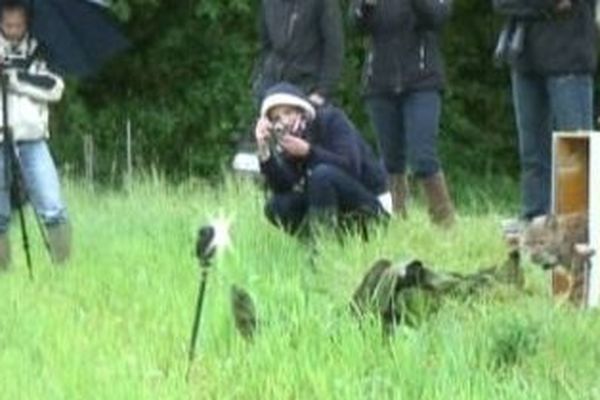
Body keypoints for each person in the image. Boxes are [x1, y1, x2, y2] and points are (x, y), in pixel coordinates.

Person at [350, 0, 456, 227]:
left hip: (422, 81)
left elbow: (438, 17)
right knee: (390, 161)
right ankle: (396, 221)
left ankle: (445, 225)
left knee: (423, 157)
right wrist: (366, 6)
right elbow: (355, 24)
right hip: (379, 82)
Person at [493, 0, 596, 225]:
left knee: (576, 151)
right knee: (532, 152)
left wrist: (527, 7)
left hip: (570, 57)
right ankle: (534, 219)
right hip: (525, 57)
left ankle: (580, 229)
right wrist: (547, 7)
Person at [255, 82, 390, 236]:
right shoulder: (289, 139)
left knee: (322, 175)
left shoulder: (331, 120)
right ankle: (318, 241)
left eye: (288, 112)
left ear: (301, 109)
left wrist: (308, 152)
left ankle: (323, 245)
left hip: (371, 203)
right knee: (276, 206)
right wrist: (264, 152)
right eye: (277, 118)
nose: (284, 121)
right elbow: (284, 187)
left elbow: (351, 167)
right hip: (331, 206)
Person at [0, 0, 71, 269]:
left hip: (32, 138)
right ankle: (3, 274)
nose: (13, 30)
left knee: (52, 205)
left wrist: (15, 79)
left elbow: (55, 88)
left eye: (18, 25)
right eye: (7, 25)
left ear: (26, 22)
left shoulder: (40, 50)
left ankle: (64, 267)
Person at [253, 0, 344, 105]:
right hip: (272, 82)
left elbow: (334, 46)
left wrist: (323, 91)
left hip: (308, 85)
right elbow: (266, 45)